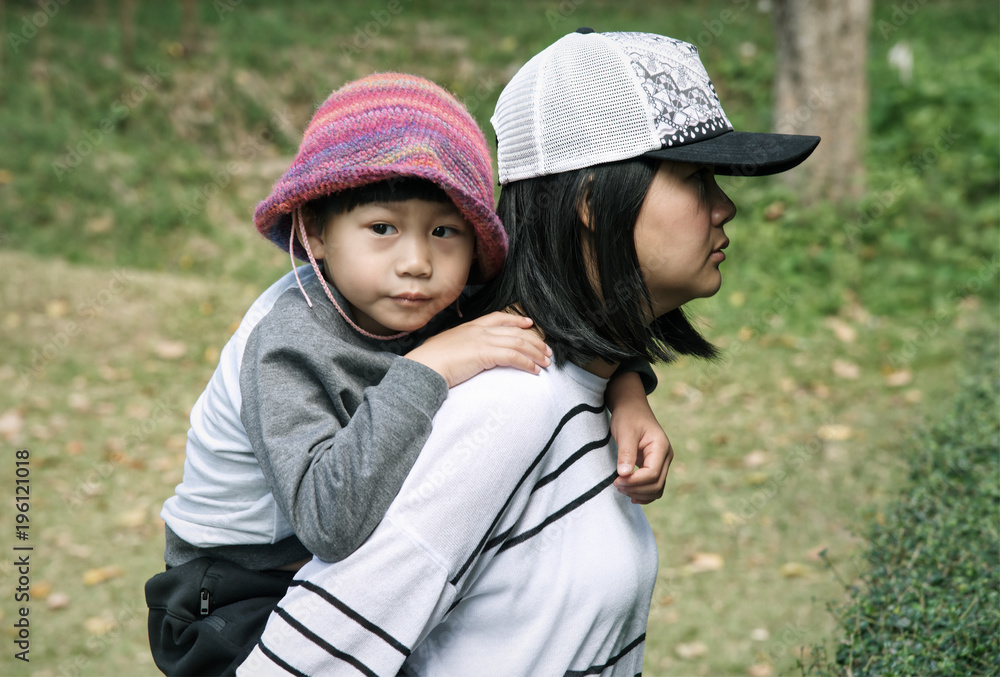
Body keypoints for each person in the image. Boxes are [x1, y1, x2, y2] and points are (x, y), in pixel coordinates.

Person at [237, 30, 820, 677]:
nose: (725, 206)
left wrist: (627, 383)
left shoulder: (569, 382)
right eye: (694, 177)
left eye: (441, 231)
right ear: (592, 202)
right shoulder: (506, 406)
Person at [145, 72, 668, 676]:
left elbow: (559, 321)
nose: (417, 262)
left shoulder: (443, 296)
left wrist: (627, 392)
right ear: (315, 230)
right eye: (382, 228)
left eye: (444, 231)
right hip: (231, 599)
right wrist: (429, 367)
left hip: (347, 581)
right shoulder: (288, 344)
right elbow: (330, 523)